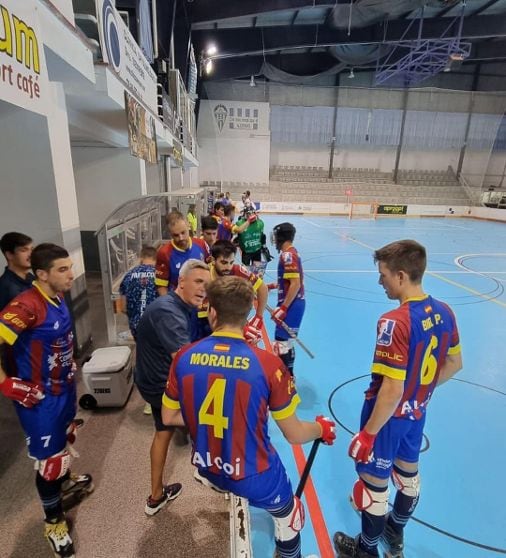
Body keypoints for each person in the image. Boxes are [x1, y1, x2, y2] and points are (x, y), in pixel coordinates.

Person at [161, 276, 336, 558]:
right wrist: (321, 428)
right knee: (290, 515)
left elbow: (169, 417)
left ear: (212, 311)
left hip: (208, 465)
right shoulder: (269, 365)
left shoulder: (183, 356)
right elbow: (294, 434)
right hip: (254, 473)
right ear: (247, 314)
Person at [333, 240, 462, 558]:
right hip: (416, 415)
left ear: (402, 276)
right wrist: (420, 392)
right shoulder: (445, 312)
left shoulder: (395, 321)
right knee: (408, 479)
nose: (380, 281)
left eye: (384, 275)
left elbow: (392, 389)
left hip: (388, 419)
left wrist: (368, 433)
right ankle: (395, 530)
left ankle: (366, 551)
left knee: (374, 488)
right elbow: (454, 363)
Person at [0, 243, 93, 558]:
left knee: (66, 440)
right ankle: (53, 522)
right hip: (39, 399)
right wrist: (7, 383)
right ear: (41, 274)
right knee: (50, 464)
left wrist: (67, 360)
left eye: (70, 267)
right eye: (63, 269)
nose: (72, 274)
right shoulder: (25, 306)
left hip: (64, 388)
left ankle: (65, 484)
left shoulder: (57, 295)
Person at [135, 259, 211, 516]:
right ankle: (208, 472)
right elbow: (186, 361)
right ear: (181, 281)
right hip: (161, 385)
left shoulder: (178, 306)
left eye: (207, 285)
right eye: (199, 282)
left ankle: (155, 496)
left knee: (163, 432)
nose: (204, 289)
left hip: (151, 379)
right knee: (209, 417)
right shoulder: (169, 311)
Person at [195, 240, 268, 341]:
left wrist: (259, 317)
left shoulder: (237, 270)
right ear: (213, 260)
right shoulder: (203, 277)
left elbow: (262, 288)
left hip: (229, 322)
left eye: (231, 262)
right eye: (224, 263)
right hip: (204, 323)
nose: (228, 267)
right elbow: (203, 313)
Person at [270, 223, 305, 377]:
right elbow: (289, 281)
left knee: (281, 343)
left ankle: (287, 378)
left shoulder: (287, 255)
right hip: (293, 303)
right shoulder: (291, 252)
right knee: (286, 342)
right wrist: (272, 286)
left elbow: (296, 283)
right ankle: (289, 376)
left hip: (291, 305)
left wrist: (283, 308)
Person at [155, 211, 209, 296]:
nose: (181, 238)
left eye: (183, 232)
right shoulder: (164, 253)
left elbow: (210, 270)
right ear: (170, 234)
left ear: (188, 226)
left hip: (200, 299)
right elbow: (161, 285)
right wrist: (169, 306)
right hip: (177, 302)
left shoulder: (201, 244)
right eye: (176, 235)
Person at [119, 245, 158, 340]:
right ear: (156, 259)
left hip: (136, 326)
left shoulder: (128, 276)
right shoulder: (159, 275)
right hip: (155, 326)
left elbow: (123, 308)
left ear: (141, 258)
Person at [0, 232, 35, 310]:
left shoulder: (30, 277)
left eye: (32, 249)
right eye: (24, 250)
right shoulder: (7, 288)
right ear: (9, 255)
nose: (31, 254)